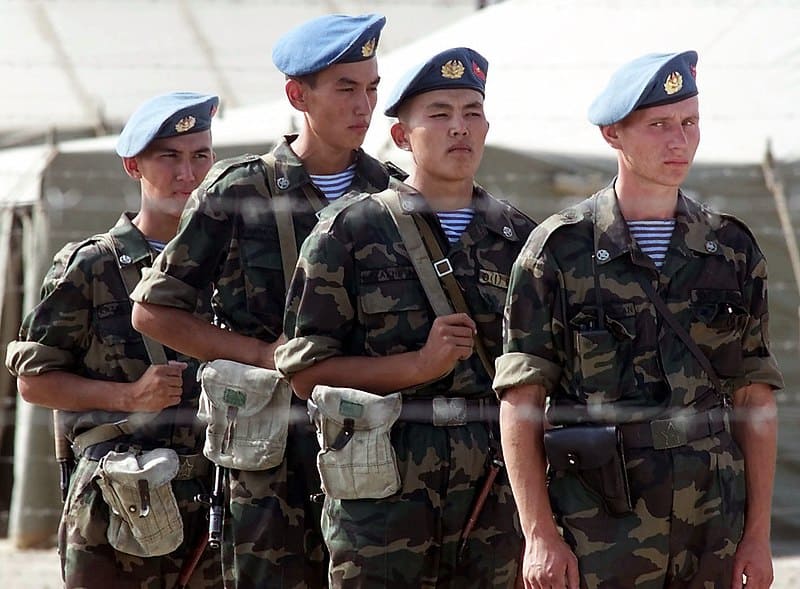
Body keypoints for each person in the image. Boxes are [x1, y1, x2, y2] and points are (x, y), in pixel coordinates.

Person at [494, 50, 783, 589]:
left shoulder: (731, 249)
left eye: (689, 122)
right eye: (659, 125)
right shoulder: (558, 251)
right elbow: (521, 402)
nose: (679, 141)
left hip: (711, 521)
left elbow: (755, 399)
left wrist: (757, 535)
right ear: (613, 134)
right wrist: (539, 535)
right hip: (600, 524)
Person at [129, 13, 394, 589]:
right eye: (346, 88)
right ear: (298, 96)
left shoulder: (391, 195)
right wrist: (258, 354)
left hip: (369, 452)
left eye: (372, 88)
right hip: (267, 460)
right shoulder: (239, 191)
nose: (364, 105)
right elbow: (153, 311)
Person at [275, 47, 533, 588]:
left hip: (492, 495)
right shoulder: (349, 232)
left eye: (472, 113)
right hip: (382, 498)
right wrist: (417, 367)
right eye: (439, 114)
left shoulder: (520, 241)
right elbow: (305, 373)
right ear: (400, 136)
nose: (459, 128)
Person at [5, 92, 221, 589]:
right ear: (133, 166)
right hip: (120, 510)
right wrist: (129, 397)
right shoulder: (92, 266)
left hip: (218, 504)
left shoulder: (232, 264)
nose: (187, 173)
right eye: (169, 157)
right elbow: (35, 383)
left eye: (200, 155)